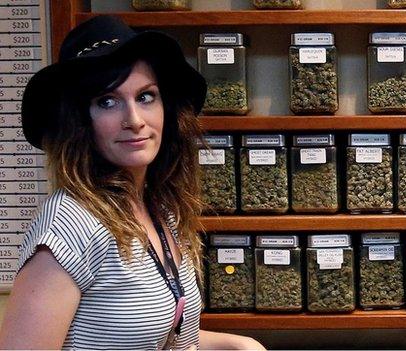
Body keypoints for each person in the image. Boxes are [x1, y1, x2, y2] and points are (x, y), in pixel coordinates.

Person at [0, 15, 265, 350]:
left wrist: (237, 345)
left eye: (145, 97)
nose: (134, 121)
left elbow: (160, 336)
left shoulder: (158, 207)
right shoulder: (68, 227)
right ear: (78, 120)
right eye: (107, 102)